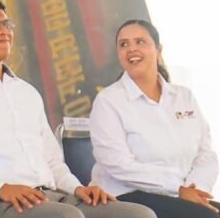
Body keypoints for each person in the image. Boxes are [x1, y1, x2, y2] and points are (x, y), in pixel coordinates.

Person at [0, 0, 154, 218]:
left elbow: (53, 161)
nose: (4, 31)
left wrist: (77, 189)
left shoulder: (26, 92)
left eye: (7, 24)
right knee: (66, 216)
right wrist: (0, 188)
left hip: (50, 198)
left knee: (139, 214)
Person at [90, 19, 218, 218]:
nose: (131, 49)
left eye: (140, 42)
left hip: (180, 194)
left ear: (158, 50)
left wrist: (196, 188)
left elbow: (206, 154)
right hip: (125, 196)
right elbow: (118, 164)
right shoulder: (108, 101)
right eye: (124, 44)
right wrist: (177, 188)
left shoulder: (184, 96)